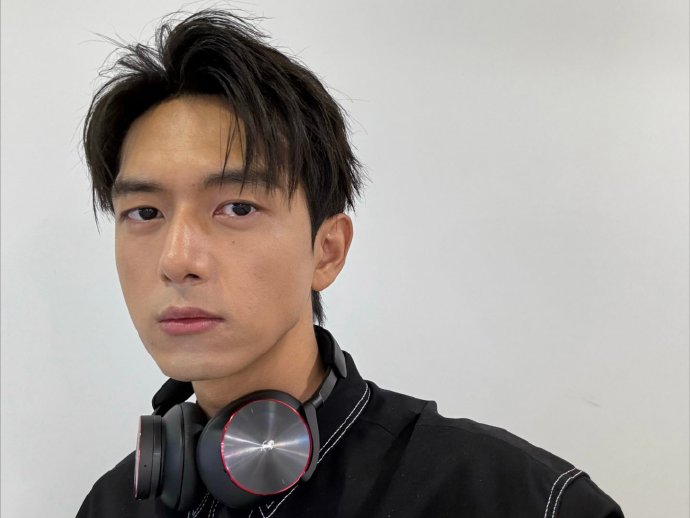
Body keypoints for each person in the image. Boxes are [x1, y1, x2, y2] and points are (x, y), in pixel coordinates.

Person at [76, 9, 624, 518]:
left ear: (327, 250)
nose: (177, 260)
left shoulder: (519, 500)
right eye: (144, 212)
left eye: (237, 208)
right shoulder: (111, 506)